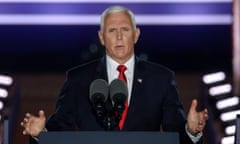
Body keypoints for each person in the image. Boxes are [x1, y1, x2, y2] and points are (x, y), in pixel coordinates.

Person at [21, 5, 208, 144]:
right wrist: (40, 133)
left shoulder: (161, 78)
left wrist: (191, 130)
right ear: (102, 37)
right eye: (112, 31)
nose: (119, 37)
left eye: (125, 30)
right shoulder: (79, 79)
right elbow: (59, 130)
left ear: (136, 34)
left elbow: (175, 134)